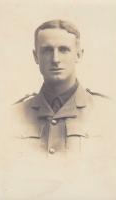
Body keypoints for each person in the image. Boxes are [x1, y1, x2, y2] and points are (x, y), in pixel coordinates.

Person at [13, 19, 108, 155]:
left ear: (78, 55)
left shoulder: (109, 113)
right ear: (36, 57)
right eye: (47, 51)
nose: (55, 59)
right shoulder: (12, 116)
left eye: (63, 50)